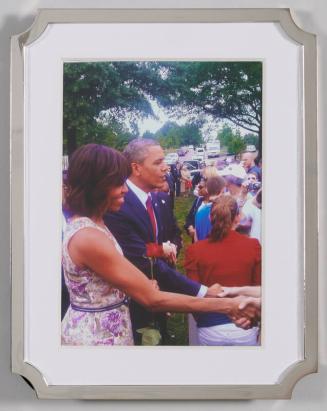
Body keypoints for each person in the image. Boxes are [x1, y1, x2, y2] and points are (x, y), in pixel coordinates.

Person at [61, 143, 255, 346]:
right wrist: (228, 306)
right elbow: (151, 298)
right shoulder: (89, 237)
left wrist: (138, 284)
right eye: (118, 183)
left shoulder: (94, 224)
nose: (125, 189)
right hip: (95, 338)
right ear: (97, 186)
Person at [184, 195, 261, 346]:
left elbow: (193, 292)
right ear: (237, 218)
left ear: (210, 218)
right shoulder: (253, 246)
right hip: (244, 323)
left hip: (211, 326)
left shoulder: (195, 250)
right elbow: (258, 286)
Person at [194, 176, 226, 241]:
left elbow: (196, 234)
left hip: (201, 247)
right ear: (222, 191)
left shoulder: (200, 209)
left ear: (207, 190)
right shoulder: (222, 211)